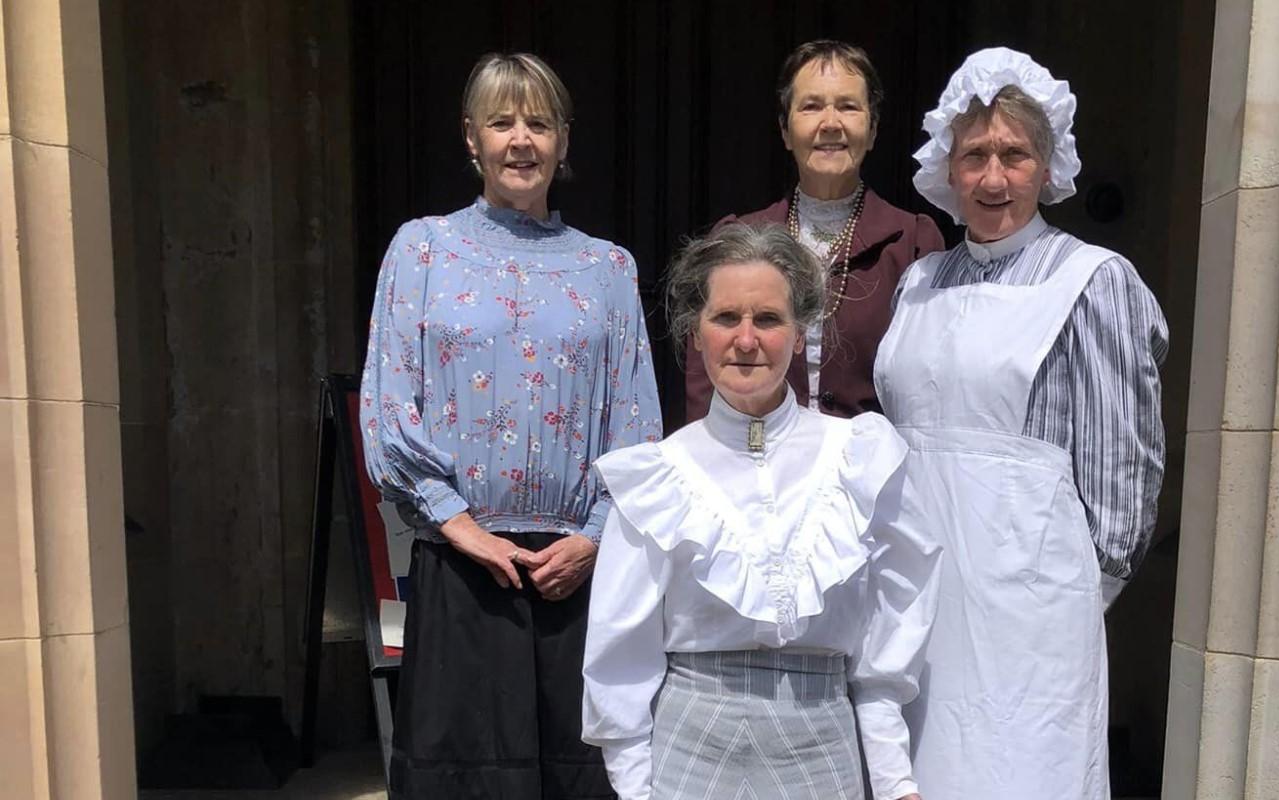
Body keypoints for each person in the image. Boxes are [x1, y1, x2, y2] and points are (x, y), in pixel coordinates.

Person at [359, 51, 662, 799]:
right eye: (501, 122)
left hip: (575, 575)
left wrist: (593, 536)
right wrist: (457, 525)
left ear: (563, 138)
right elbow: (388, 399)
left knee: (582, 775)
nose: (520, 139)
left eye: (538, 122)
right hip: (462, 567)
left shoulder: (608, 268)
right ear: (471, 138)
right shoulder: (421, 249)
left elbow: (636, 420)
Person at [872, 48, 1168, 798]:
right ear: (949, 167)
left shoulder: (1092, 281)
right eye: (975, 156)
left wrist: (1067, 596)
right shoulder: (920, 280)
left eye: (1015, 154)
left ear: (1047, 166)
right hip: (917, 590)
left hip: (1032, 613)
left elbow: (1123, 468)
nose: (994, 178)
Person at [582, 224, 940, 800]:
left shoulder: (859, 458)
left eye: (768, 320)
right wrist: (635, 789)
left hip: (823, 741)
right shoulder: (659, 476)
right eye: (726, 318)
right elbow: (620, 652)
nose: (746, 340)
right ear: (696, 334)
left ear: (800, 335)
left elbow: (891, 634)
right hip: (690, 747)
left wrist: (896, 780)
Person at [684, 40, 945, 420]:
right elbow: (705, 376)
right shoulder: (737, 239)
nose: (830, 123)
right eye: (811, 106)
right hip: (756, 464)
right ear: (786, 131)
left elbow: (930, 383)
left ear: (872, 131)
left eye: (848, 106)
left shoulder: (913, 244)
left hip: (870, 469)